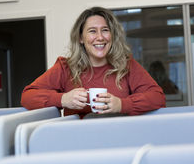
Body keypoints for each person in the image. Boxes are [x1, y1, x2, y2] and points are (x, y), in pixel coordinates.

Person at [21, 7, 166, 118]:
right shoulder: (65, 68)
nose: (100, 37)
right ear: (81, 38)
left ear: (112, 35)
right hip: (80, 143)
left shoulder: (127, 65)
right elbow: (27, 96)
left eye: (105, 30)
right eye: (92, 31)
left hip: (121, 139)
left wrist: (122, 104)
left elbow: (157, 97)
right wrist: (63, 99)